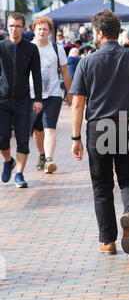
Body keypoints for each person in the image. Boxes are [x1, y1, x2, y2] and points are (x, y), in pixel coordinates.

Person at [70, 10, 129, 256]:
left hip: (98, 126)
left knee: (102, 186)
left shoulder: (87, 62)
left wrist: (76, 137)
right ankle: (128, 212)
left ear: (100, 33)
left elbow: (78, 103)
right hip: (127, 123)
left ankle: (108, 240)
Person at [0, 12, 43, 188]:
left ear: (23, 28)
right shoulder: (1, 47)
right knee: (2, 138)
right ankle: (8, 161)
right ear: (6, 26)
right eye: (11, 25)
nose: (14, 29)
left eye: (17, 26)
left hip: (23, 101)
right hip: (2, 100)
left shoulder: (31, 49)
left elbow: (37, 75)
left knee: (23, 138)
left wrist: (38, 99)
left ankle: (19, 174)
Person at [30, 17, 72, 174]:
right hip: (33, 95)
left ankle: (49, 160)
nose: (42, 32)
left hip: (53, 94)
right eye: (39, 29)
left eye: (45, 29)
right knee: (38, 130)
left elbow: (65, 72)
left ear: (49, 32)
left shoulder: (56, 48)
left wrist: (70, 93)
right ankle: (42, 155)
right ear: (34, 30)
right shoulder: (29, 47)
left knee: (49, 128)